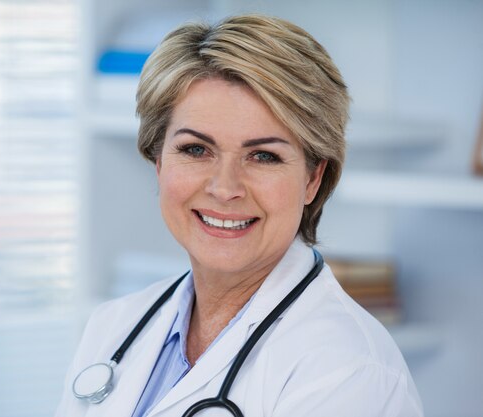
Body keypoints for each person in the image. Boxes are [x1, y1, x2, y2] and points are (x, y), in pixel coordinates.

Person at [55, 14, 423, 417]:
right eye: (196, 149)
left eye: (263, 156)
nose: (225, 187)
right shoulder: (113, 326)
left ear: (313, 179)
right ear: (158, 160)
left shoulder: (349, 372)